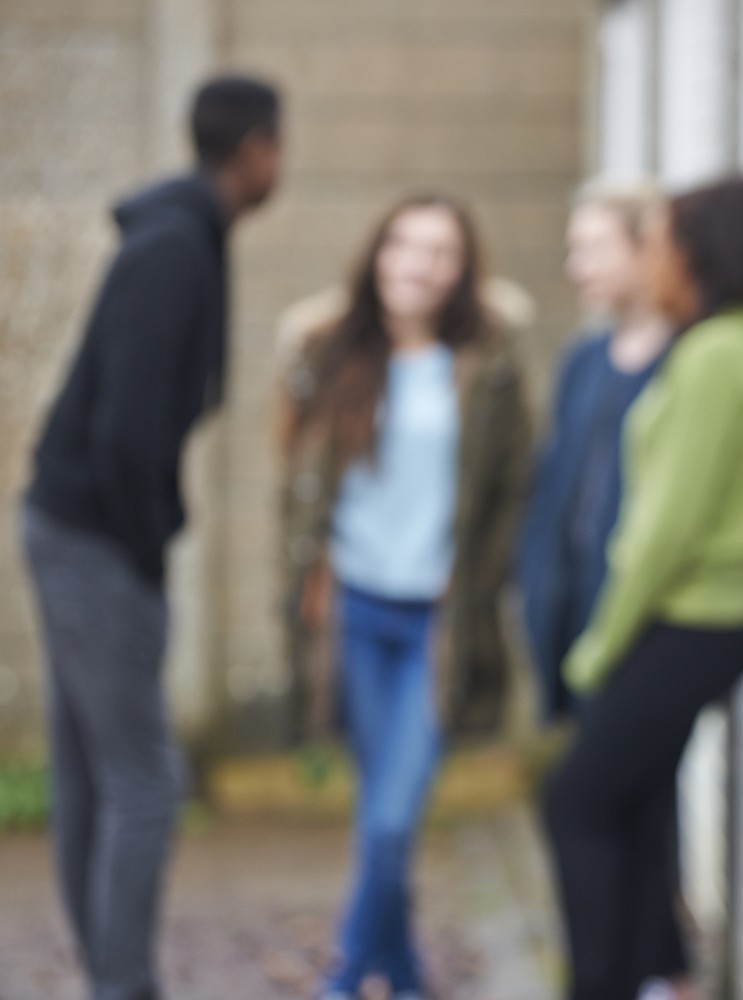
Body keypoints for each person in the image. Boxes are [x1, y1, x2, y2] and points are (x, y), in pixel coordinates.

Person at [19, 74, 282, 1000]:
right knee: (146, 782)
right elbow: (128, 429)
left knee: (97, 775)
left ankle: (111, 978)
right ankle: (123, 985)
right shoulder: (175, 250)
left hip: (74, 526)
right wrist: (145, 545)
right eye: (277, 149)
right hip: (92, 536)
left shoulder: (187, 237)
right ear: (255, 149)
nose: (279, 167)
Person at [277, 194, 531, 1000]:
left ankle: (348, 975)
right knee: (377, 817)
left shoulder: (487, 367)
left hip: (435, 624)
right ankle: (407, 973)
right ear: (376, 255)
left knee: (391, 819)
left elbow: (513, 492)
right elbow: (295, 482)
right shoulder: (331, 353)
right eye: (402, 246)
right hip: (352, 613)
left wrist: (479, 574)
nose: (417, 265)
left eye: (439, 252)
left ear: (463, 272)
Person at [543, 176, 743, 1000]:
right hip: (713, 619)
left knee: (573, 801)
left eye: (662, 244)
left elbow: (662, 530)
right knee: (636, 800)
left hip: (688, 617)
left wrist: (596, 650)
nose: (653, 262)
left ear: (698, 253)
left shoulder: (717, 354)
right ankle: (661, 975)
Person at [516, 180, 672, 722]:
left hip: (644, 610)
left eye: (595, 248)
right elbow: (553, 480)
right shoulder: (582, 360)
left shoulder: (684, 360)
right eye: (574, 250)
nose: (578, 267)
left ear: (645, 246)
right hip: (570, 596)